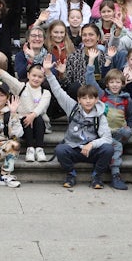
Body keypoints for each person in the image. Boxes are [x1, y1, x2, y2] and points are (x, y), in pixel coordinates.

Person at [42, 55, 113, 189]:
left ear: (96, 99)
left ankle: (97, 176)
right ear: (79, 100)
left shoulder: (100, 115)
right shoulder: (72, 107)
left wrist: (92, 144)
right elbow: (58, 92)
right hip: (74, 148)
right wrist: (48, 72)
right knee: (60, 150)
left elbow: (107, 138)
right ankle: (71, 174)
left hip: (92, 150)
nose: (87, 101)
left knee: (108, 149)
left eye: (91, 98)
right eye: (84, 98)